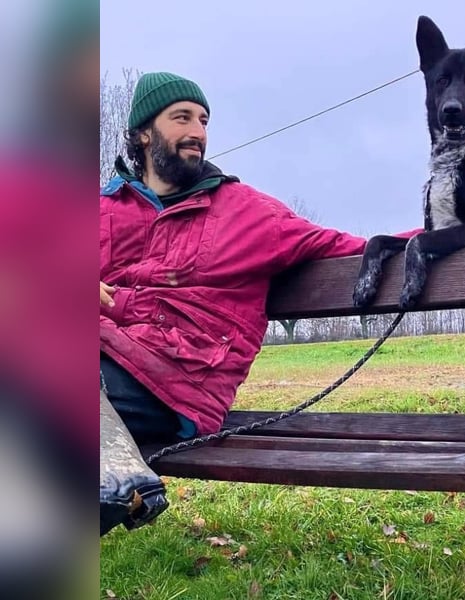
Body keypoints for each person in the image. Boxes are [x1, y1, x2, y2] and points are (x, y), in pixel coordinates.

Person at [100, 71, 417, 447]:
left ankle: (122, 495)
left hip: (178, 385)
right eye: (181, 117)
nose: (198, 132)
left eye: (203, 121)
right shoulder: (104, 209)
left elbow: (349, 247)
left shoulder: (247, 213)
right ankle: (123, 495)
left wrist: (459, 232)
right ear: (143, 133)